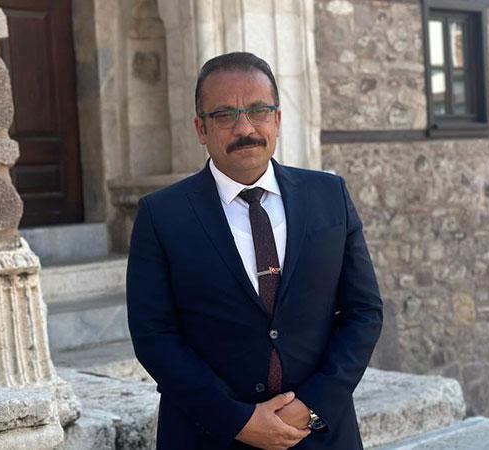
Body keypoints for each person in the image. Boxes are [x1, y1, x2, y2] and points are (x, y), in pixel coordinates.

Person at [126, 51, 383, 450]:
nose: (244, 128)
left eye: (259, 110)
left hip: (319, 435)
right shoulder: (161, 216)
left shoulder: (329, 196)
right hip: (208, 437)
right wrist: (237, 420)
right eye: (224, 115)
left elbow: (364, 312)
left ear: (277, 119)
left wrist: (311, 406)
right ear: (200, 128)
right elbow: (154, 337)